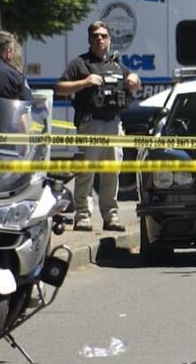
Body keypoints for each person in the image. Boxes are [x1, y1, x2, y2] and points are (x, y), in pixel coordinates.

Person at [55, 20, 141, 232]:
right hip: (90, 123)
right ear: (89, 40)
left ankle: (110, 216)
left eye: (103, 35)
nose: (99, 39)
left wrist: (134, 79)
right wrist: (84, 82)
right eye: (95, 36)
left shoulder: (117, 65)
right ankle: (82, 216)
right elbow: (59, 88)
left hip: (113, 124)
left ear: (109, 39)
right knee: (86, 172)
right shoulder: (80, 64)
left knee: (112, 172)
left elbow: (135, 87)